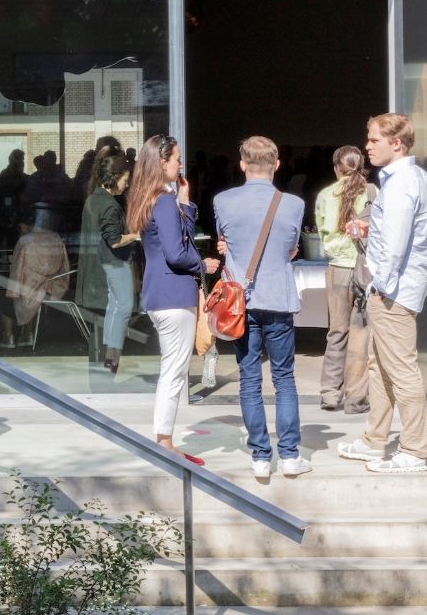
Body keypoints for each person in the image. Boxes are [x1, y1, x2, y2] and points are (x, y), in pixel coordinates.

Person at [337, 113, 427, 474]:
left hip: (393, 292)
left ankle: (413, 450)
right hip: (395, 288)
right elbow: (397, 238)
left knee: (401, 369)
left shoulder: (402, 184)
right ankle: (374, 441)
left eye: (374, 139)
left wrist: (379, 284)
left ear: (397, 143)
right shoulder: (409, 179)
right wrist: (368, 231)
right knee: (379, 367)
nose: (367, 145)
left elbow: (395, 248)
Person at [213, 135, 310, 480]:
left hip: (243, 302)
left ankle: (259, 455)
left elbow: (227, 243)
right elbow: (290, 248)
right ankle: (290, 455)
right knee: (284, 379)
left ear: (242, 164)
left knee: (249, 379)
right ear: (277, 164)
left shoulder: (223, 201)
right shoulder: (294, 204)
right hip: (279, 299)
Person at [129, 135, 220, 464]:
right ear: (162, 162)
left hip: (159, 293)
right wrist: (204, 264)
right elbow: (178, 252)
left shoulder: (149, 199)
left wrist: (185, 203)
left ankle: (164, 439)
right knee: (174, 372)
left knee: (172, 369)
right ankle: (164, 442)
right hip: (173, 294)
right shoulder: (162, 201)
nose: (181, 165)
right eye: (177, 159)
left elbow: (172, 240)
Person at [314, 145, 376, 413]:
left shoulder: (325, 195)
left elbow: (321, 232)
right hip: (366, 269)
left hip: (338, 268)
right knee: (361, 335)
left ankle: (329, 393)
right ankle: (356, 398)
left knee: (336, 332)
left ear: (336, 167)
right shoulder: (373, 193)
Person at [77, 154, 136, 373]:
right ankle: (113, 357)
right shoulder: (110, 205)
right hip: (116, 263)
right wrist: (136, 235)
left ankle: (108, 356)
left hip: (100, 263)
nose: (127, 183)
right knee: (124, 307)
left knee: (114, 307)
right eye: (125, 179)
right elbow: (115, 240)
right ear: (115, 176)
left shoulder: (93, 199)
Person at [3, 206, 69, 349]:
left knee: (7, 298)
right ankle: (27, 334)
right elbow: (65, 266)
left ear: (24, 225)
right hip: (54, 287)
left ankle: (10, 338)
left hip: (32, 288)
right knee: (28, 291)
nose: (19, 231)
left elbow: (16, 270)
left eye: (19, 228)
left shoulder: (25, 241)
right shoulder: (55, 237)